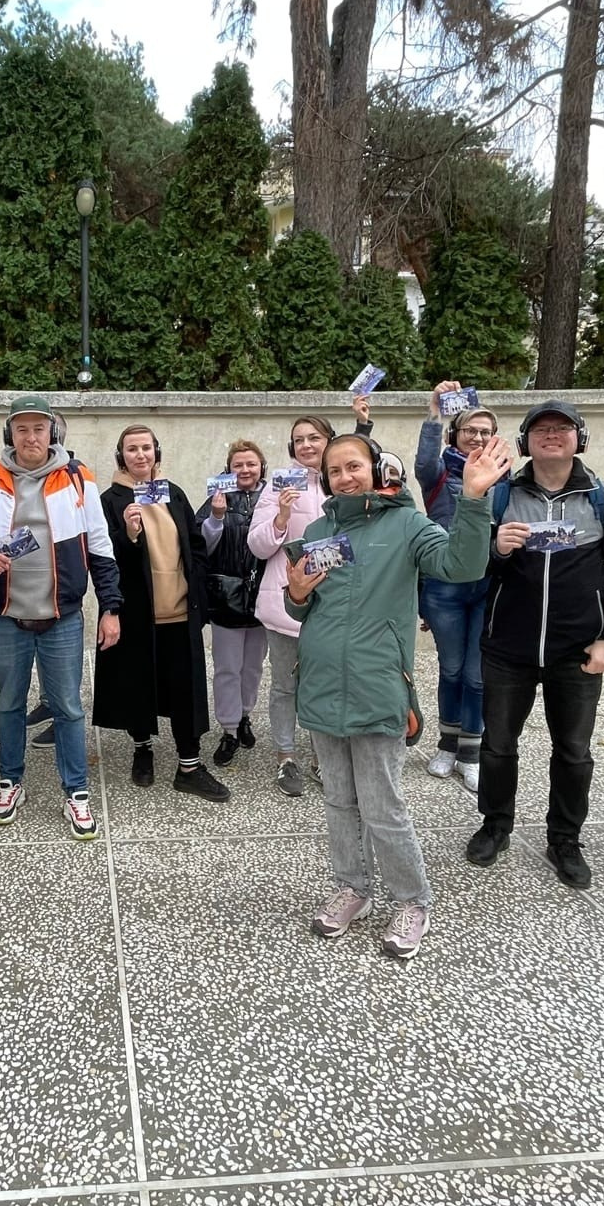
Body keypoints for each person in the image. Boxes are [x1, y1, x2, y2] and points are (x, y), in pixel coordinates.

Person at [289, 429, 510, 960]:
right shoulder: (318, 531)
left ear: (377, 468)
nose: (345, 477)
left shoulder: (408, 524)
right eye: (335, 470)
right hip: (321, 684)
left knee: (383, 806)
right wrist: (295, 593)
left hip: (378, 685)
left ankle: (413, 900)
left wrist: (473, 500)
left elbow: (461, 566)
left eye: (354, 466)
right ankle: (353, 888)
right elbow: (304, 607)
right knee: (338, 801)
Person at [468, 401, 604, 890]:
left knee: (573, 751)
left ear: (579, 439)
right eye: (540, 428)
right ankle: (495, 825)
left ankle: (565, 839)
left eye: (562, 428)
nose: (551, 434)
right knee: (498, 745)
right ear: (525, 442)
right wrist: (495, 549)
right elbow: (469, 567)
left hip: (577, 651)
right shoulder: (498, 496)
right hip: (507, 647)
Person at [0, 396, 121, 841]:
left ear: (52, 432)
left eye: (39, 428)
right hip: (6, 616)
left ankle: (76, 791)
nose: (31, 437)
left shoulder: (77, 478)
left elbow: (100, 546)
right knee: (9, 703)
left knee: (68, 707)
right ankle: (11, 783)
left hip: (61, 616)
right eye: (22, 429)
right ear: (10, 433)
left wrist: (111, 607)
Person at [94, 425, 228, 802]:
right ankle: (142, 750)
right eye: (132, 449)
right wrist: (129, 534)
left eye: (146, 448)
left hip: (180, 612)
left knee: (185, 691)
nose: (140, 455)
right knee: (138, 686)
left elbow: (195, 544)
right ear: (121, 456)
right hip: (137, 614)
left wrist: (196, 588)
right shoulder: (110, 500)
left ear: (157, 452)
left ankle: (189, 766)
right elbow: (103, 557)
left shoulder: (174, 493)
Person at [246, 400, 371, 797]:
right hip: (286, 605)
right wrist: (281, 517)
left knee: (327, 684)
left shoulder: (344, 481)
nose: (306, 445)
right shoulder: (280, 483)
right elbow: (257, 544)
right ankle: (285, 756)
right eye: (298, 440)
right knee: (285, 685)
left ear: (328, 440)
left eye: (313, 438)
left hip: (335, 605)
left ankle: (324, 755)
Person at [413, 381, 498, 792]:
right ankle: (448, 744)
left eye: (485, 431)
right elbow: (422, 461)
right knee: (451, 669)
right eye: (470, 430)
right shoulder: (440, 472)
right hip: (443, 587)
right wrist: (435, 412)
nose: (477, 437)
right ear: (455, 434)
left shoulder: (504, 476)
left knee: (477, 676)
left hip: (488, 585)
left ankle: (471, 751)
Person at [196, 440, 268, 767]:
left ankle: (244, 716)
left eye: (251, 464)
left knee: (253, 665)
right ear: (228, 469)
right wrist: (216, 516)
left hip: (263, 596)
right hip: (225, 595)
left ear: (261, 467)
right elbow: (201, 546)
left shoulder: (273, 497)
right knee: (227, 667)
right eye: (238, 465)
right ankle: (228, 728)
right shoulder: (217, 499)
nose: (245, 470)